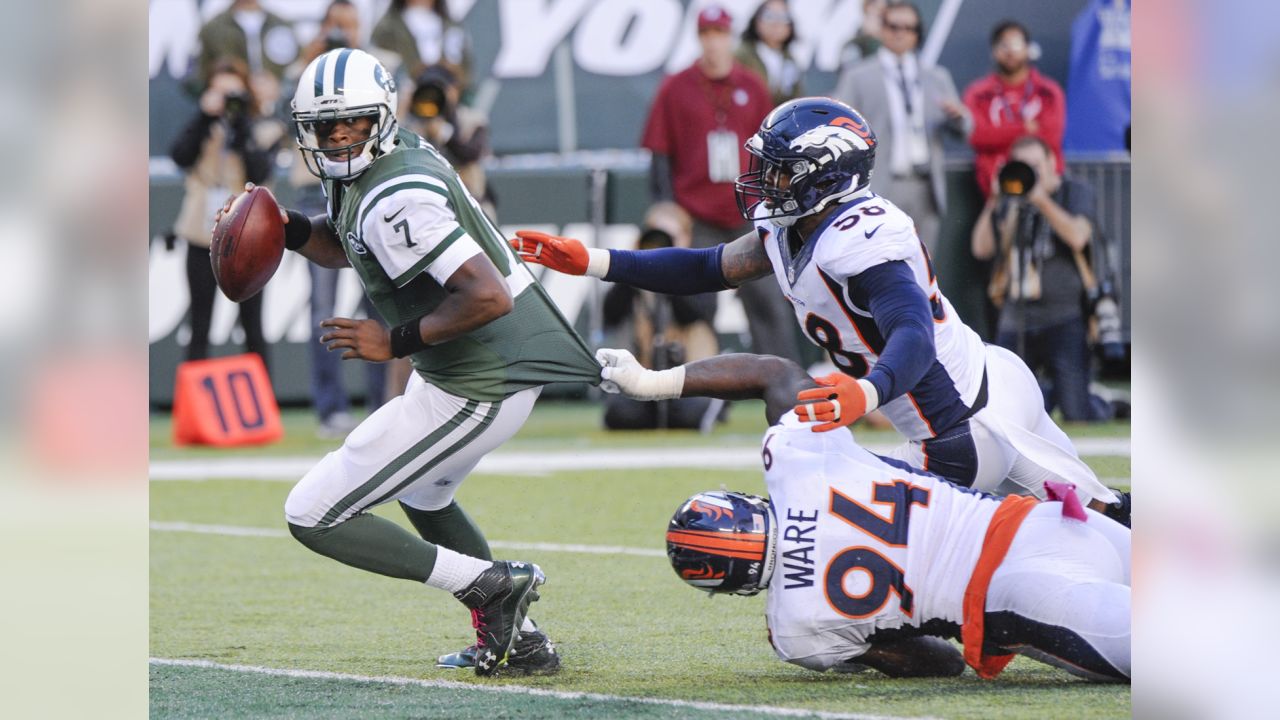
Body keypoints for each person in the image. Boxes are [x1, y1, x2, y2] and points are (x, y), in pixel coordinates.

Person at [514, 97, 1126, 523]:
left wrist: (867, 393)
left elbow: (910, 331)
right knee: (1098, 516)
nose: (763, 180)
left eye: (779, 171)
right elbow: (705, 266)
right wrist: (592, 260)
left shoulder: (860, 237)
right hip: (985, 380)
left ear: (823, 176)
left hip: (960, 429)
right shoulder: (790, 227)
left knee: (897, 560)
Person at [219, 48, 603, 676]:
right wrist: (284, 227)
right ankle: (521, 641)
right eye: (325, 127)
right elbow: (350, 244)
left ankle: (491, 584)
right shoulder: (379, 168)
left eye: (353, 124)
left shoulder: (395, 195)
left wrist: (391, 341)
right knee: (425, 494)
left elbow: (486, 294)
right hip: (475, 372)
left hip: (482, 382)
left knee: (313, 513)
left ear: (381, 118)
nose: (339, 137)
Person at [609, 352, 1129, 682]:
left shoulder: (796, 628)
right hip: (1041, 523)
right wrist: (653, 383)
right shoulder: (796, 461)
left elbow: (936, 663)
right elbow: (774, 374)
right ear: (745, 505)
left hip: (1016, 598)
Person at [641, 4, 800, 364]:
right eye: (707, 35)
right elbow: (659, 154)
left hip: (748, 211)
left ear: (730, 37)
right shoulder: (676, 87)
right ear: (699, 38)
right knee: (697, 308)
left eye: (720, 34)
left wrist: (775, 204)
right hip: (696, 214)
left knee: (769, 303)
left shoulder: (751, 85)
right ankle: (700, 394)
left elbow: (773, 149)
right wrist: (669, 212)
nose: (714, 43)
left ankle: (787, 385)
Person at [289, 0, 396, 438]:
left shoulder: (380, 68)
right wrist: (307, 61)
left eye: (349, 26)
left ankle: (383, 407)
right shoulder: (304, 70)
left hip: (371, 189)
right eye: (335, 25)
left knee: (382, 303)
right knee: (322, 307)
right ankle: (330, 408)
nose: (341, 32)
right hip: (318, 189)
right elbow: (286, 116)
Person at [971, 135, 1116, 423]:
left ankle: (1105, 402)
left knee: (1078, 414)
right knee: (1006, 411)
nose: (1030, 174)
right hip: (1016, 314)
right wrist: (996, 200)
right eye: (1023, 167)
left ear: (1052, 163)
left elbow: (1078, 237)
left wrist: (1040, 198)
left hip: (1065, 316)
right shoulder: (1010, 198)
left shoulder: (1074, 191)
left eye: (1035, 166)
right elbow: (981, 248)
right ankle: (1044, 396)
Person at [172, 56, 285, 369]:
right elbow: (179, 156)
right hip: (201, 232)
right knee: (199, 322)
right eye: (221, 93)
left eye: (234, 94)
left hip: (246, 235)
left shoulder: (260, 129)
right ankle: (194, 409)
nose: (228, 101)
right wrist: (204, 117)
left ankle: (262, 407)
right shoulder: (203, 126)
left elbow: (260, 171)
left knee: (253, 324)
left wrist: (242, 129)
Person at [832, 1, 970, 254]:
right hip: (882, 183)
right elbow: (841, 127)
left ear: (917, 34)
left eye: (909, 27)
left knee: (923, 265)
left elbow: (964, 129)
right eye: (894, 26)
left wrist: (957, 117)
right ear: (882, 29)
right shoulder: (859, 76)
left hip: (926, 185)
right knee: (877, 260)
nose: (900, 33)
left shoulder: (936, 77)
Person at [601, 203, 720, 431]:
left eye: (670, 238)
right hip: (643, 372)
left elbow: (694, 315)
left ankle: (713, 406)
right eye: (657, 236)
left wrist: (671, 273)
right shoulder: (637, 275)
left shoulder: (704, 269)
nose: (663, 245)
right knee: (620, 415)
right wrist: (631, 268)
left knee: (690, 416)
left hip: (689, 375)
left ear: (686, 238)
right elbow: (610, 314)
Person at [962, 20, 1066, 200]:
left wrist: (999, 136)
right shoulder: (978, 93)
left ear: (1028, 48)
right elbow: (976, 136)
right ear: (993, 51)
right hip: (994, 190)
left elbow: (1051, 138)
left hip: (1045, 189)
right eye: (1004, 45)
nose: (1010, 51)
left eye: (1017, 45)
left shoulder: (1049, 91)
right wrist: (1024, 129)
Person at [190, 0, 296, 114]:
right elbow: (199, 78)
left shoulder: (281, 25)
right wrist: (214, 92)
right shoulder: (212, 29)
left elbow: (295, 70)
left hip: (277, 111)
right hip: (232, 112)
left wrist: (280, 87)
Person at [371, 0, 472, 96]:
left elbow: (466, 71)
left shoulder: (452, 27)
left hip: (445, 100)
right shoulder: (389, 26)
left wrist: (454, 76)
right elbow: (380, 65)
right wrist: (416, 71)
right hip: (401, 97)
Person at [736, 1, 804, 108]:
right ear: (757, 21)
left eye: (783, 17)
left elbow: (796, 99)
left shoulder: (790, 60)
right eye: (769, 16)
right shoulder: (741, 55)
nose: (776, 23)